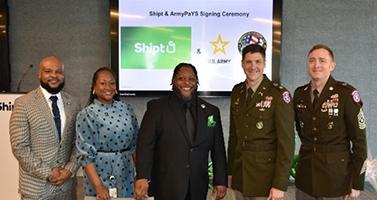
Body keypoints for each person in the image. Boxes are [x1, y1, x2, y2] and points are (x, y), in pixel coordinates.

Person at [134, 63, 227, 200]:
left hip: (197, 186)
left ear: (197, 82)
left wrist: (220, 180)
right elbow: (145, 145)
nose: (187, 83)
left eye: (192, 79)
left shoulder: (210, 111)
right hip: (166, 185)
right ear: (173, 80)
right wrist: (142, 176)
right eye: (181, 78)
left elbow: (218, 150)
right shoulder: (156, 108)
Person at [293, 44, 367, 200]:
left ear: (332, 65)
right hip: (306, 176)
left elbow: (359, 142)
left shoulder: (346, 94)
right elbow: (302, 131)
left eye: (322, 60)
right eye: (312, 60)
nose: (316, 65)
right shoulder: (300, 94)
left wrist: (356, 183)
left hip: (336, 179)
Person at [227, 44, 295, 200]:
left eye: (258, 62)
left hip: (266, 179)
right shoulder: (237, 92)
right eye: (248, 62)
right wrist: (230, 171)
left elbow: (287, 143)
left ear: (264, 63)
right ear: (242, 64)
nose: (253, 67)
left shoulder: (278, 94)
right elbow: (234, 137)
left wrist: (280, 183)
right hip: (241, 174)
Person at [9, 56, 81, 200]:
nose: (54, 76)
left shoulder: (74, 103)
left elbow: (78, 143)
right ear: (39, 74)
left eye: (59, 72)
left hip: (66, 189)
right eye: (48, 71)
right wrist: (48, 172)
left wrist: (69, 170)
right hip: (36, 189)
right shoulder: (23, 103)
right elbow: (19, 147)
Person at [75, 67, 139, 200]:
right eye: (103, 83)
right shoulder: (87, 114)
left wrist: (139, 174)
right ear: (94, 86)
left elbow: (135, 145)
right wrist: (98, 186)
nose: (108, 87)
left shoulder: (126, 108)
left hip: (126, 171)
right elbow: (85, 156)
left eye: (112, 83)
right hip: (100, 174)